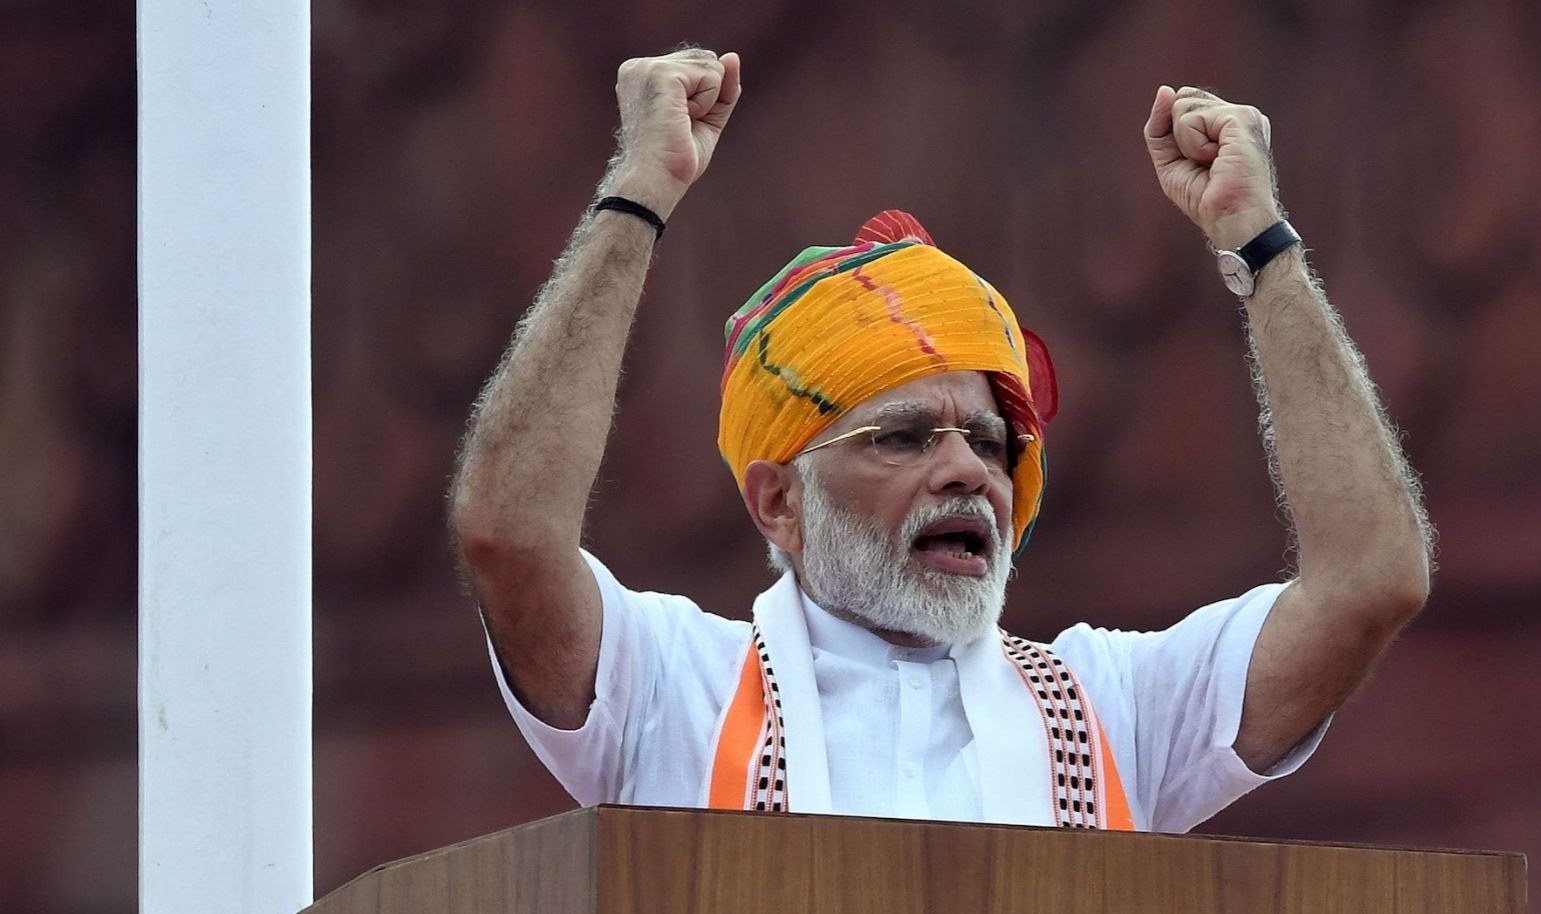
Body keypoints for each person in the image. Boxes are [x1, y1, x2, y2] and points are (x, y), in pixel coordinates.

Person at [448, 47, 1432, 833]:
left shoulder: (1109, 708)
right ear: (778, 499)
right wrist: (635, 196)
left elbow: (1370, 579)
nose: (967, 469)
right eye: (903, 437)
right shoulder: (673, 687)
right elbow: (509, 536)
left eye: (994, 441)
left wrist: (1259, 246)